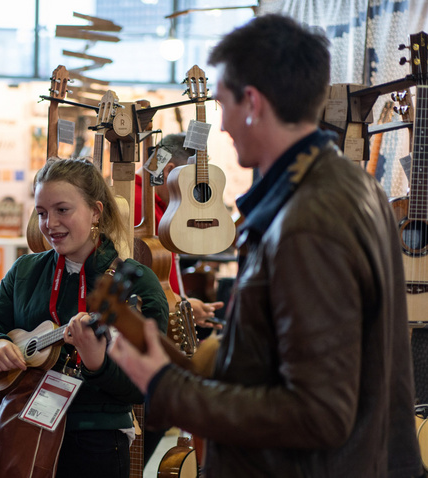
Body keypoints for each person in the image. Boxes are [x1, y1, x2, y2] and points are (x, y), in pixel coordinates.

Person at [108, 14, 423, 477]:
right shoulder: (352, 187)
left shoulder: (308, 221)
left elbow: (318, 413)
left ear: (252, 102)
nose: (222, 124)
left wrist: (167, 386)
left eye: (221, 103)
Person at [0, 158, 169, 477]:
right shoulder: (25, 271)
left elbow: (146, 386)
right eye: (42, 213)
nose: (50, 224)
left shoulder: (136, 281)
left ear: (96, 211)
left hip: (93, 442)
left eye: (62, 210)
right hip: (20, 434)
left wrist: (98, 363)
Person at [135, 133, 224, 327]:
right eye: (191, 186)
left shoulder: (155, 205)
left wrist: (183, 305)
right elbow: (141, 288)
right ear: (169, 172)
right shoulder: (138, 206)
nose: (191, 196)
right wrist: (183, 305)